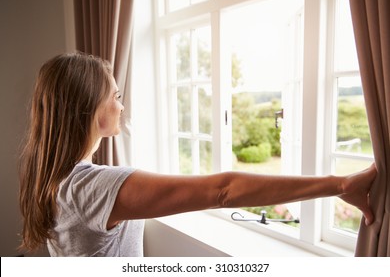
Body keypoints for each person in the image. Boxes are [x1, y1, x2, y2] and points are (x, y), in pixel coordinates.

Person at [19, 52, 376, 257]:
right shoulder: (91, 187)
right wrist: (340, 183)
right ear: (91, 108)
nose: (121, 105)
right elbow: (224, 190)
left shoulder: (55, 174)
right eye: (115, 96)